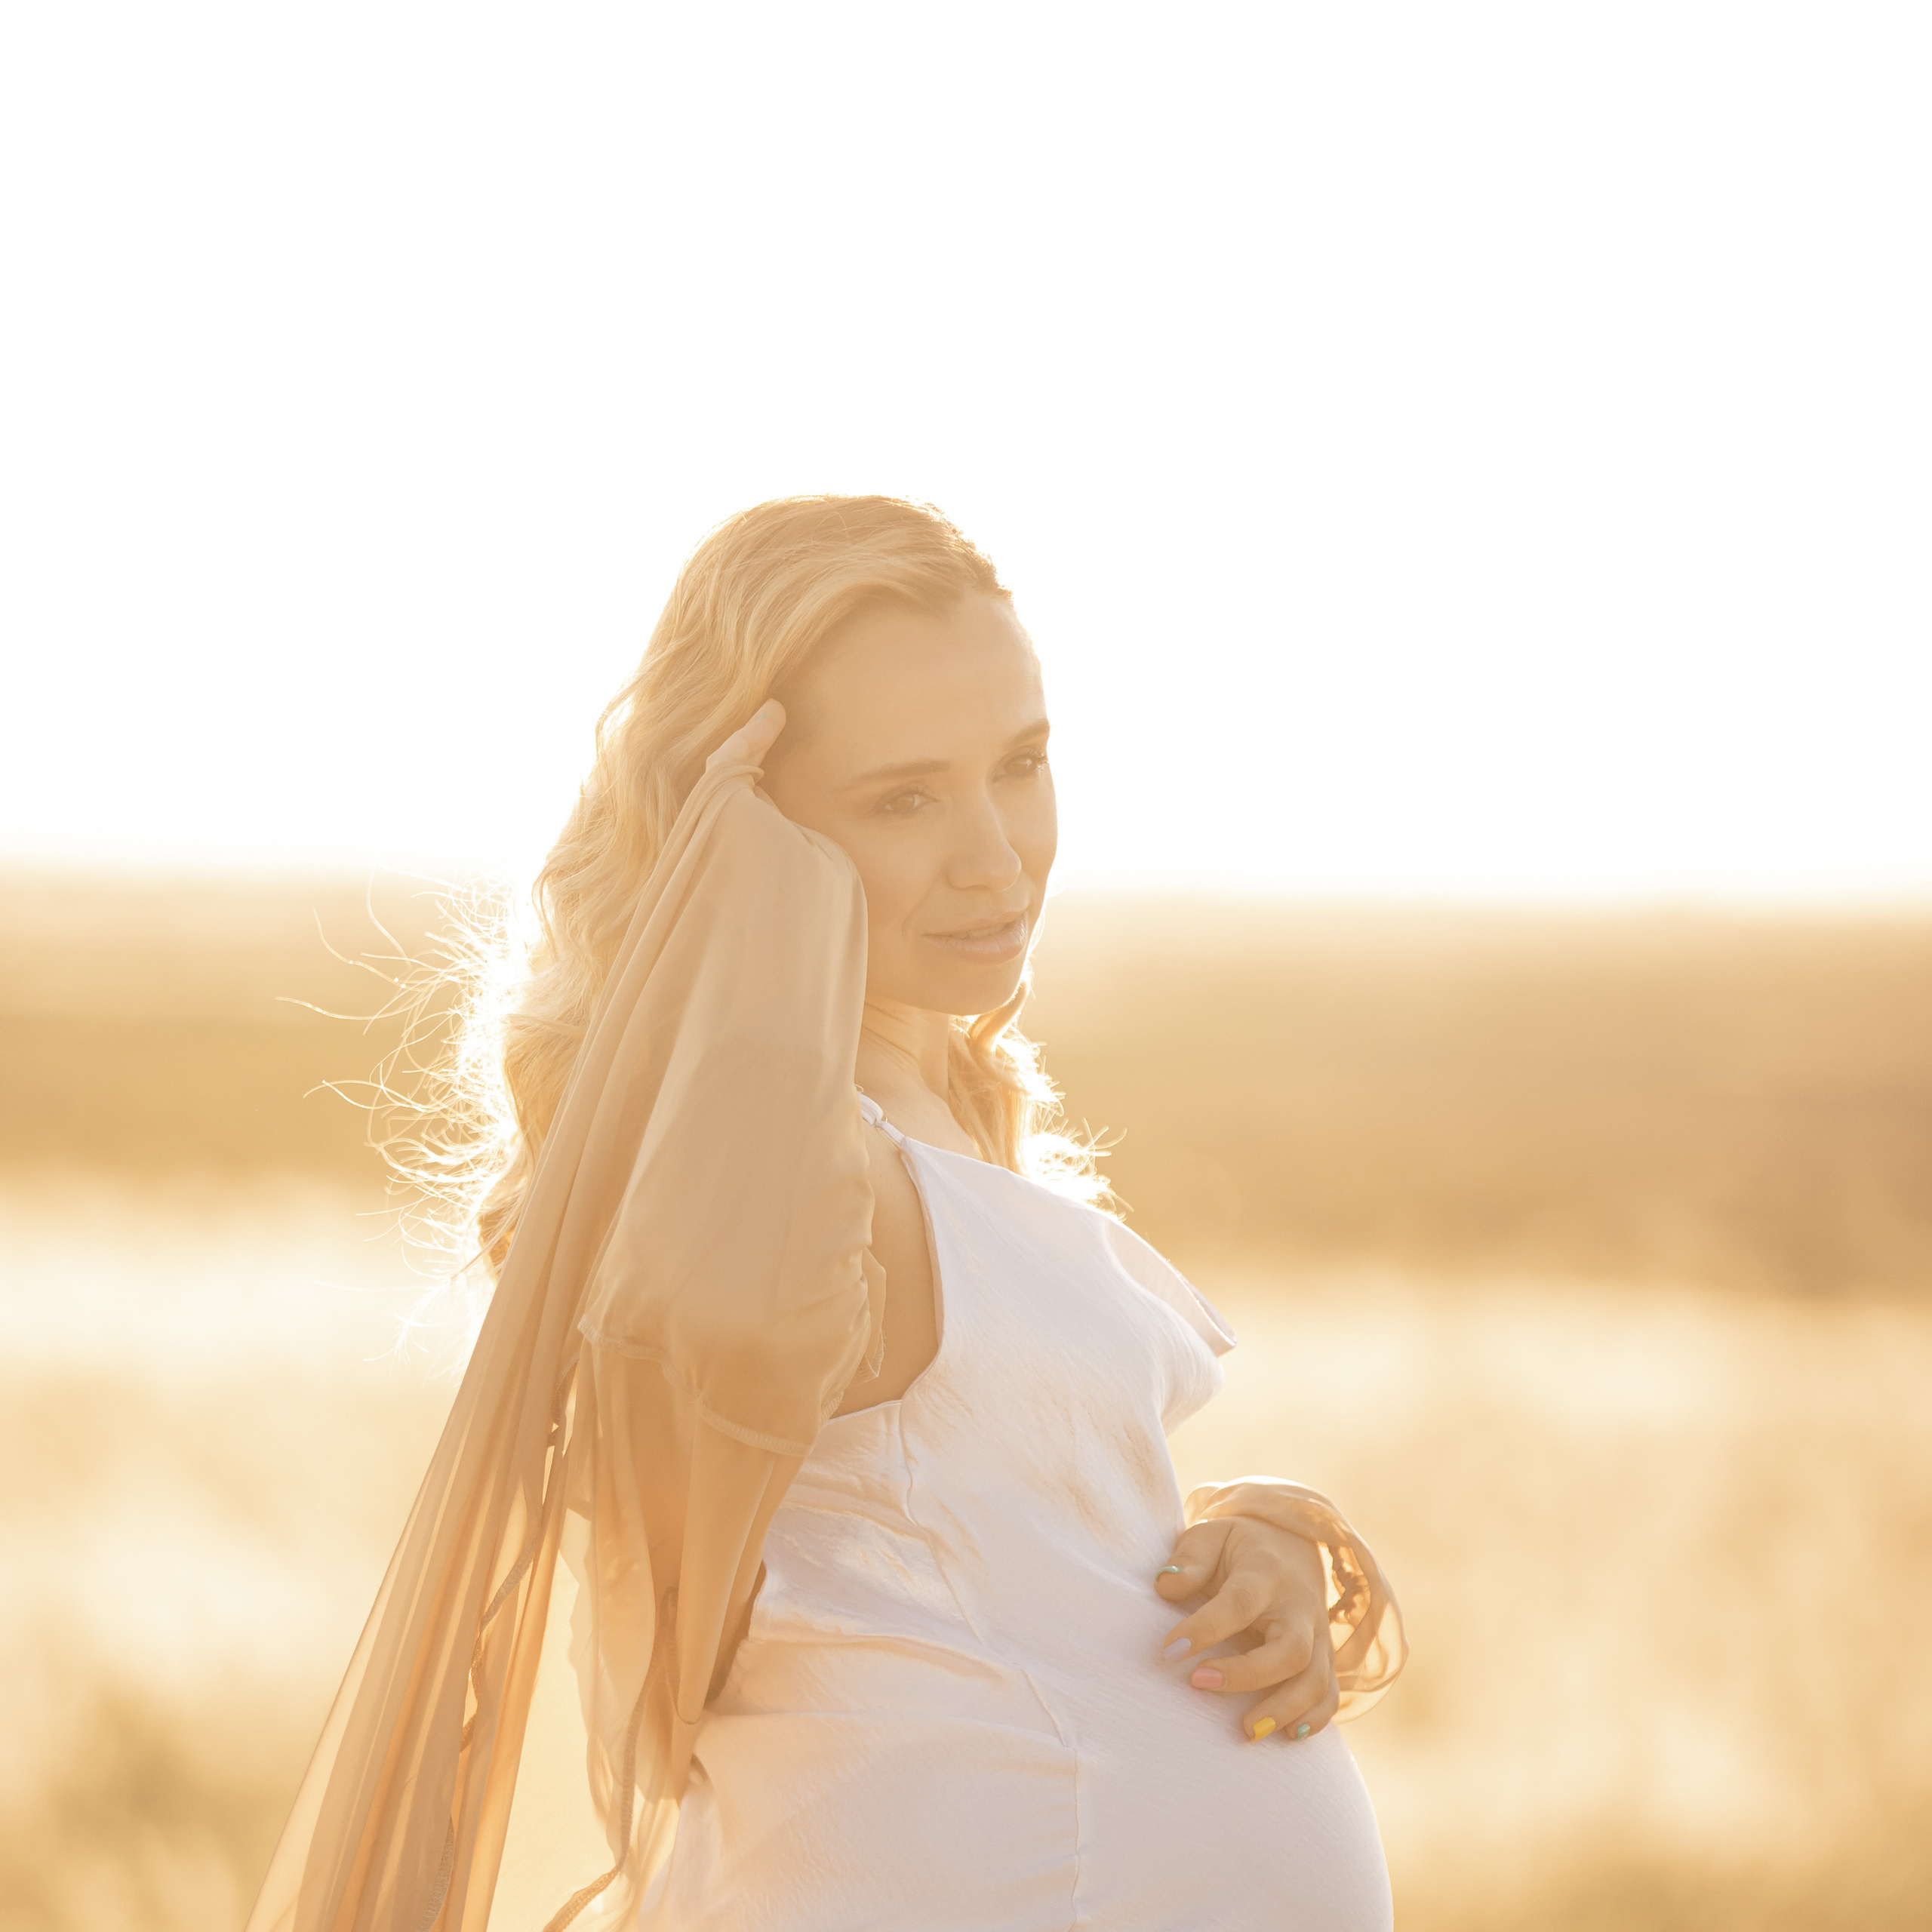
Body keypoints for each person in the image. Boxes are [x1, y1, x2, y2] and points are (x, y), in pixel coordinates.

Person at [248, 496, 1404, 1932]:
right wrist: (715, 872)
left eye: (1022, 765)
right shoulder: (783, 1176)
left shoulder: (948, 1117)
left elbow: (949, 1525)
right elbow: (697, 1508)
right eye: (902, 799)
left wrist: (1249, 1531)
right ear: (747, 823)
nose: (996, 853)